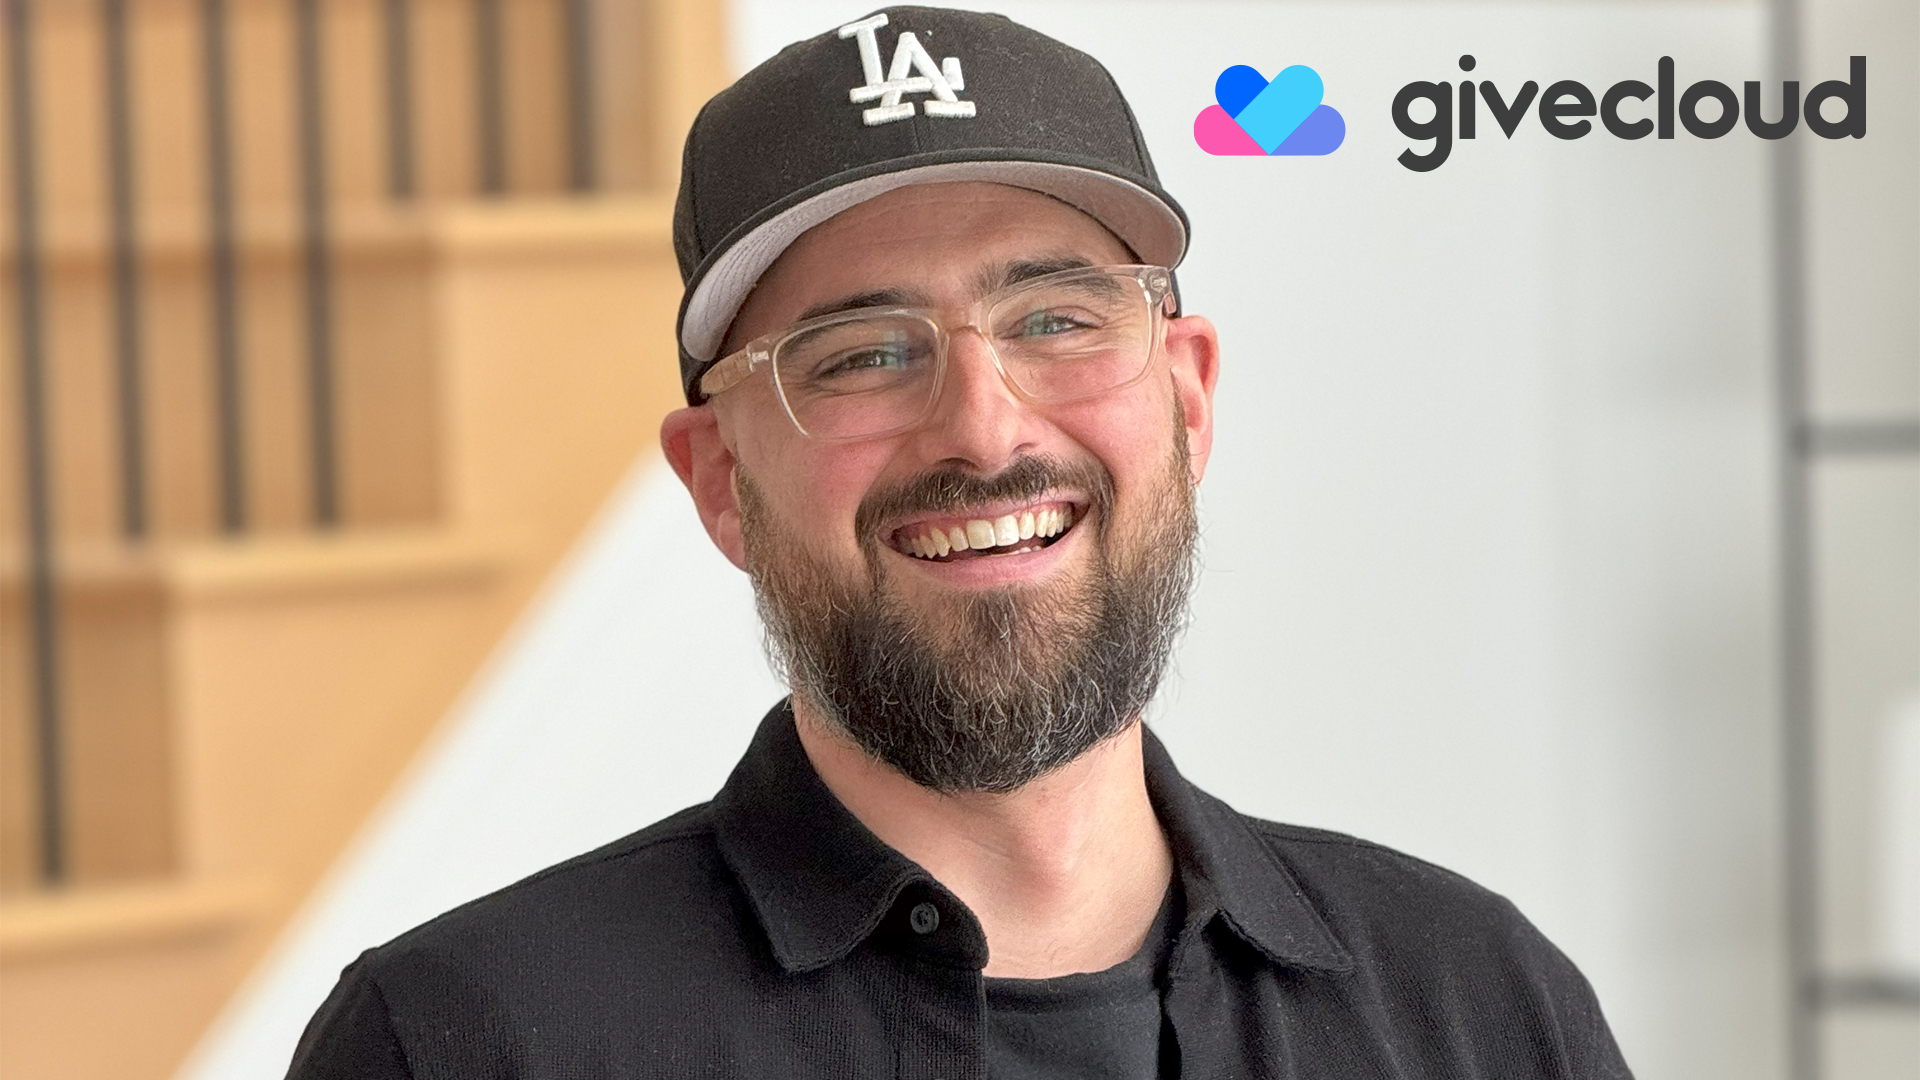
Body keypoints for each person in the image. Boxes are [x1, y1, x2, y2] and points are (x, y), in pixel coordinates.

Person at [288, 8, 1632, 1078]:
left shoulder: (1480, 1005)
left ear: (1190, 397)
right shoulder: (471, 1043)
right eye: (862, 354)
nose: (982, 430)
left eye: (1057, 317)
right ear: (719, 483)